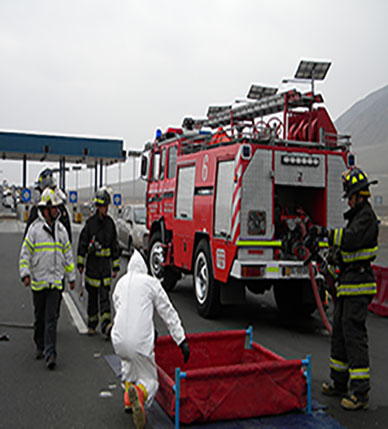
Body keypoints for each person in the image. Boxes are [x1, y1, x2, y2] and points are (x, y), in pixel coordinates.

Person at [312, 167, 378, 411]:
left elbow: (350, 239)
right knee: (338, 332)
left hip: (359, 285)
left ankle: (360, 393)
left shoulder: (366, 219)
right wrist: (331, 255)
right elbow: (345, 248)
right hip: (347, 285)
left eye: (350, 196)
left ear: (359, 196)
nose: (348, 201)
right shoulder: (356, 217)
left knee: (354, 336)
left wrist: (326, 233)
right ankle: (339, 382)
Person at [111, 248, 190, 429]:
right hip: (139, 340)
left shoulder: (120, 283)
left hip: (118, 339)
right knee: (150, 379)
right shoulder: (151, 283)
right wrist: (181, 340)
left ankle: (128, 399)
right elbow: (167, 312)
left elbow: (124, 311)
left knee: (128, 362)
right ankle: (139, 393)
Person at [19, 188, 75, 369]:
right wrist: (25, 274)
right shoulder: (34, 230)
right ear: (45, 209)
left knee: (52, 318)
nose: (57, 210)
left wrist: (72, 277)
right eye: (54, 208)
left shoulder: (61, 231)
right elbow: (25, 254)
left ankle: (51, 354)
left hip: (55, 282)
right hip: (38, 282)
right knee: (40, 316)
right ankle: (40, 345)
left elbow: (68, 255)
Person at [77, 187, 120, 337]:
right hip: (93, 269)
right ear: (98, 207)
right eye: (104, 206)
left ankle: (106, 325)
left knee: (105, 298)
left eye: (107, 206)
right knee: (93, 299)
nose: (106, 209)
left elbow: (115, 246)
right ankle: (92, 324)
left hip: (105, 270)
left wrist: (115, 266)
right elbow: (82, 244)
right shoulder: (90, 224)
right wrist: (80, 264)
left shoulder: (110, 224)